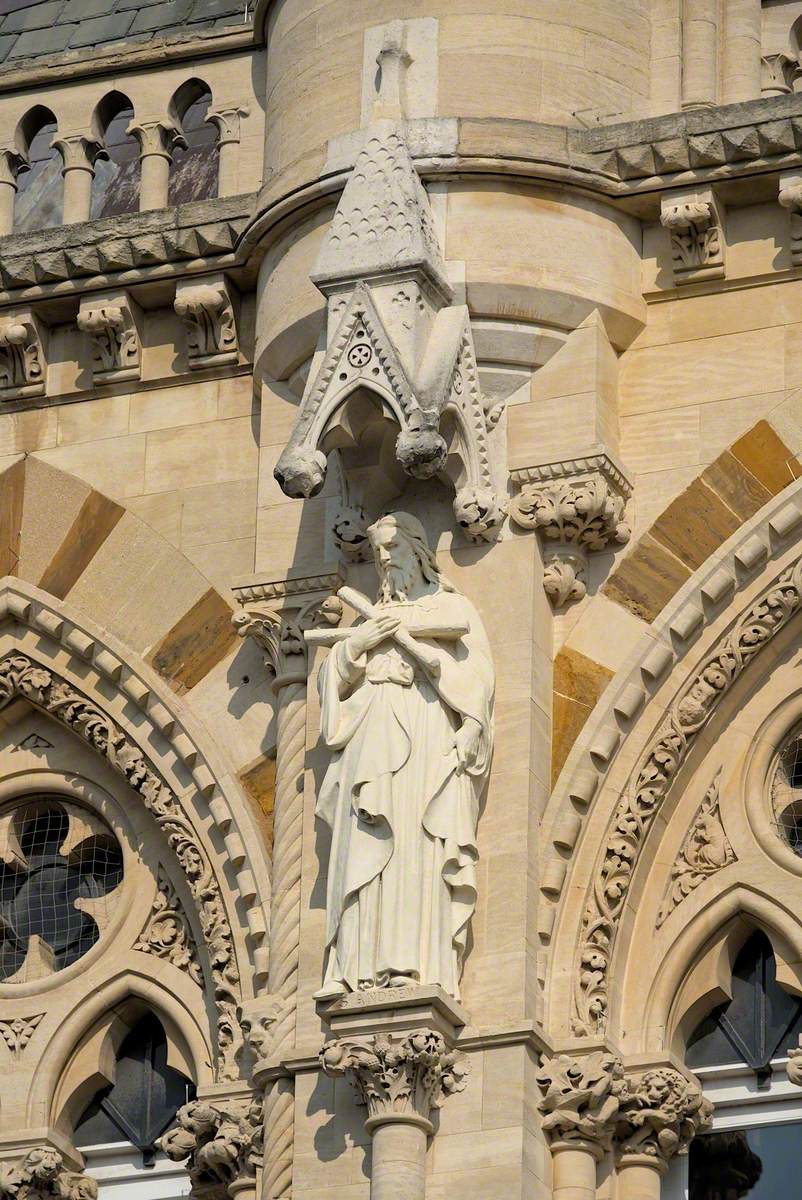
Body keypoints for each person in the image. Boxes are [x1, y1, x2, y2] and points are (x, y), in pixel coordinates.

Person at [314, 511, 494, 1000]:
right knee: (363, 845)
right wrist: (358, 643)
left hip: (423, 736)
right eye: (377, 553)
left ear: (418, 552)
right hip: (369, 733)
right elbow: (332, 681)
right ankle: (352, 965)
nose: (385, 560)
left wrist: (437, 674)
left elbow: (477, 685)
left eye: (393, 549)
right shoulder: (369, 618)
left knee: (413, 847)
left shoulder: (449, 610)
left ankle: (408, 962)